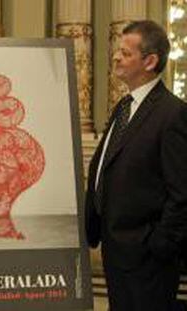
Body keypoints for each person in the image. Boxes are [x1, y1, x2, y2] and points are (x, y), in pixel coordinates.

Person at [85, 20, 187, 310]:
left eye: (126, 53)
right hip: (117, 251)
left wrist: (158, 246)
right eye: (118, 51)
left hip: (148, 260)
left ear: (150, 60)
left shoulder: (173, 114)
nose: (116, 57)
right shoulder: (124, 106)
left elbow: (181, 193)